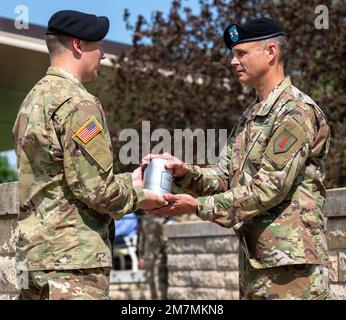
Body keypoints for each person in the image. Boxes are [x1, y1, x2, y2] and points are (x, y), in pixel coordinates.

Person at [145, 17, 331, 300]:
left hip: (292, 268)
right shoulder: (252, 115)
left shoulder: (295, 111)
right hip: (259, 260)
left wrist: (197, 206)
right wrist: (184, 173)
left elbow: (268, 188)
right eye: (233, 54)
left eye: (241, 53)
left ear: (271, 52)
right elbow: (224, 177)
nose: (233, 61)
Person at [12, 10, 166, 300]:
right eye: (99, 46)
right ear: (78, 46)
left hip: (34, 259)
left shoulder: (31, 101)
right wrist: (143, 195)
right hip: (73, 264)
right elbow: (97, 190)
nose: (104, 55)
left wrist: (128, 180)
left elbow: (59, 179)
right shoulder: (78, 103)